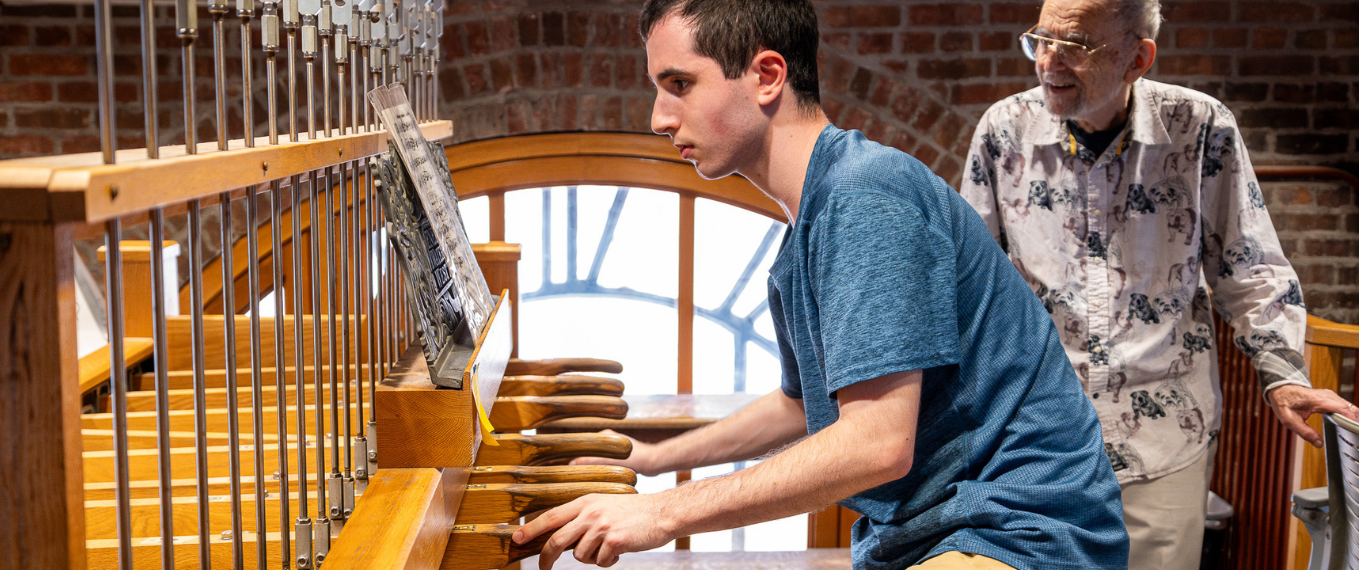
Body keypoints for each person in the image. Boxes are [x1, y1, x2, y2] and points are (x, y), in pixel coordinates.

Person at [512, 1, 1128, 568]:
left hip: (1019, 531)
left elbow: (877, 444)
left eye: (680, 84)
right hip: (944, 530)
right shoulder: (815, 216)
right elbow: (799, 406)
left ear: (767, 76)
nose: (659, 118)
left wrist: (661, 513)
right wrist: (650, 460)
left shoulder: (865, 197)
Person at [958, 0, 1359, 567]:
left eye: (1075, 46)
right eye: (1041, 40)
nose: (1049, 61)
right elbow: (969, 281)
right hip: (1037, 436)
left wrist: (1283, 375)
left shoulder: (1200, 127)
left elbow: (1248, 265)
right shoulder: (1004, 130)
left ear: (1137, 59)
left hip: (1163, 435)